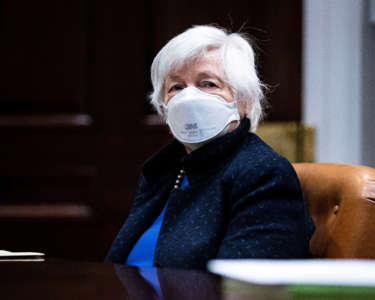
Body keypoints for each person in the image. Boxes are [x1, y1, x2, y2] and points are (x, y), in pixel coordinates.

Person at [105, 25, 314, 269]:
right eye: (177, 87)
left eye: (208, 84)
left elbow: (242, 288)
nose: (189, 97)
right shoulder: (163, 170)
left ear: (244, 101)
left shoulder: (264, 174)